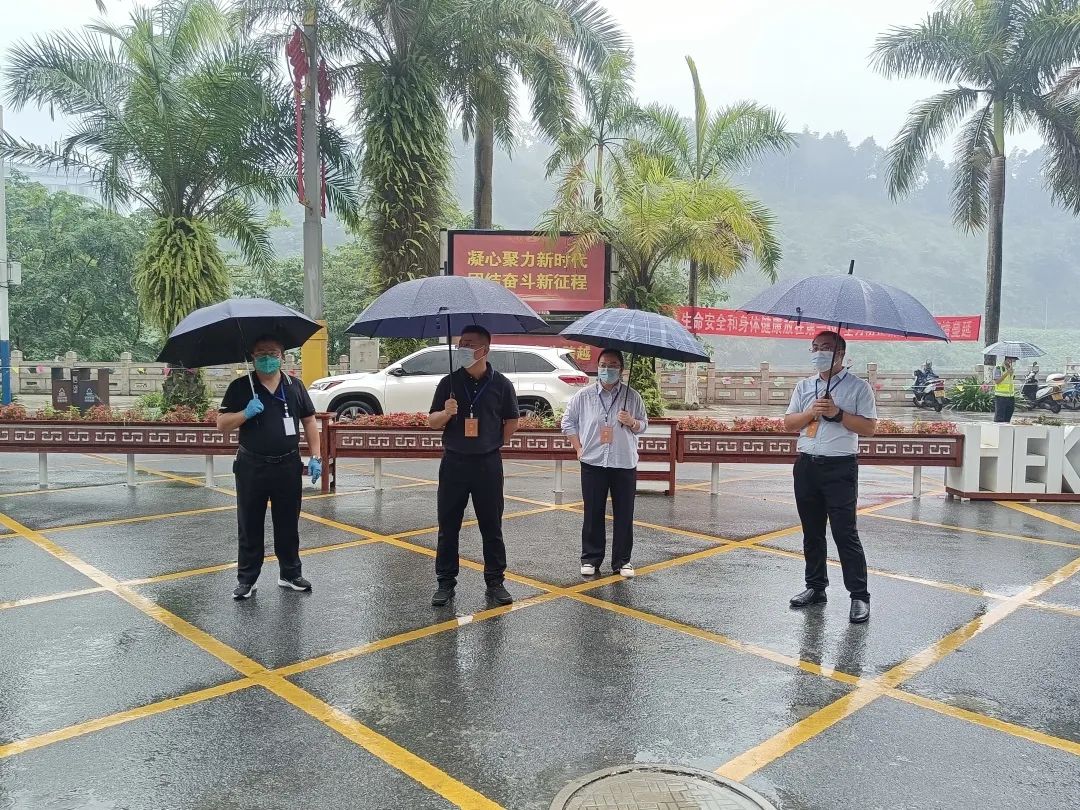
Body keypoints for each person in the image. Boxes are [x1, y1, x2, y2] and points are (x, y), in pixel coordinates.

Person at [783, 331, 878, 624]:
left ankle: (859, 595)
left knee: (844, 533)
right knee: (811, 531)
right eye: (815, 347)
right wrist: (811, 412)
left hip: (840, 468)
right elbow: (789, 423)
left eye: (826, 347)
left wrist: (837, 413)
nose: (818, 353)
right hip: (807, 465)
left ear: (841, 354)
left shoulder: (858, 387)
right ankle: (815, 587)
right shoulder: (804, 386)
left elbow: (869, 428)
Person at [217, 336, 322, 600]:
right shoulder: (241, 387)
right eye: (261, 353)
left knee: (288, 522)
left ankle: (290, 573)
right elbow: (222, 424)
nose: (267, 358)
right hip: (251, 465)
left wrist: (316, 456)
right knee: (249, 522)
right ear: (252, 357)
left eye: (273, 353)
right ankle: (247, 579)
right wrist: (245, 413)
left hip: (287, 464)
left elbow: (309, 421)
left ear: (282, 356)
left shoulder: (295, 386)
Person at [428, 326, 520, 607]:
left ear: (484, 350)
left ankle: (495, 581)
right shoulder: (448, 383)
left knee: (491, 525)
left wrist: (493, 443)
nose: (462, 349)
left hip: (487, 464)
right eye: (460, 344)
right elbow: (432, 422)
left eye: (468, 344)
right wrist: (447, 413)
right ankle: (445, 582)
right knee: (448, 526)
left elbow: (511, 420)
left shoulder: (502, 384)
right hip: (454, 462)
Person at [562, 349, 648, 578]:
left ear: (621, 369)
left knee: (624, 513)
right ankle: (591, 558)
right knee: (593, 511)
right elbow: (568, 422)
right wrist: (578, 448)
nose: (607, 369)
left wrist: (632, 422)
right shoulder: (584, 396)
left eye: (613, 365)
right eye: (603, 365)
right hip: (593, 461)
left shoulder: (633, 397)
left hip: (623, 462)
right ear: (597, 367)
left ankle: (622, 561)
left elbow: (644, 425)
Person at [992, 354, 1019, 423]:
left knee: (1008, 416)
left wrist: (1011, 373)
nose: (1012, 362)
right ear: (1007, 359)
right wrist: (1007, 373)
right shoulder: (999, 368)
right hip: (1001, 396)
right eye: (1011, 360)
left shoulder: (1011, 369)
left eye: (1013, 361)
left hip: (1010, 396)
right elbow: (997, 381)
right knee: (1000, 417)